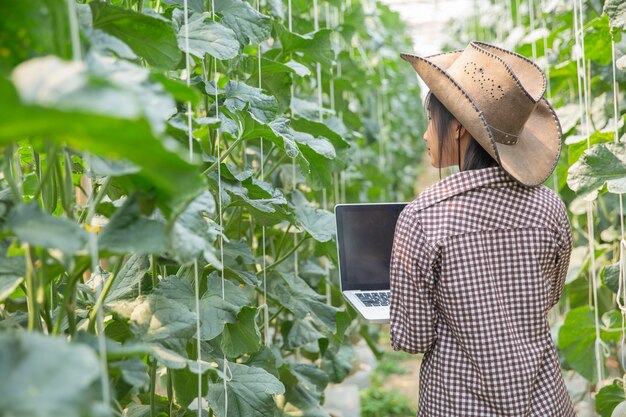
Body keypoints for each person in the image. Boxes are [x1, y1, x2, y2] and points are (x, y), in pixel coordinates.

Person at [390, 41, 575, 416]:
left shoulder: (423, 217)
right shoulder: (550, 207)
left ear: (457, 129)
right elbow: (548, 296)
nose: (427, 135)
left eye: (431, 121)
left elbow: (414, 337)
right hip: (544, 404)